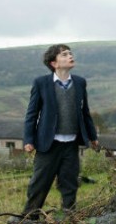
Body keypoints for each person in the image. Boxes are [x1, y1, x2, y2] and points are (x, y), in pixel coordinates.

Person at [21, 44, 99, 219]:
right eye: (64, 54)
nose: (70, 56)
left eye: (70, 53)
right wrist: (28, 139)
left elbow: (85, 112)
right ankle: (29, 218)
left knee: (69, 185)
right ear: (54, 63)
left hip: (71, 144)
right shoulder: (41, 83)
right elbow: (32, 114)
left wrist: (93, 137)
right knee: (39, 185)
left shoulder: (80, 82)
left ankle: (69, 218)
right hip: (48, 145)